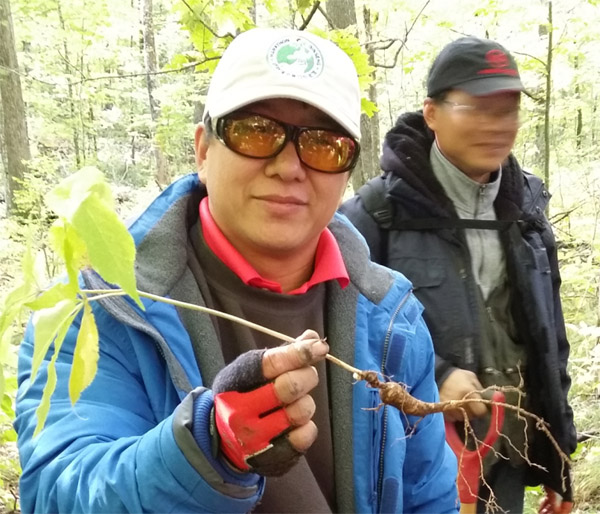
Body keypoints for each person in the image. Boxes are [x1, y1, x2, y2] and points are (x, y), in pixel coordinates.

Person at [15, 28, 459, 513]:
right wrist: (203, 451)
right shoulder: (107, 304)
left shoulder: (393, 317)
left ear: (347, 169)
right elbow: (59, 493)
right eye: (256, 131)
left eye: (324, 145)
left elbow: (428, 498)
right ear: (204, 150)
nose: (289, 167)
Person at [340, 36, 577, 513]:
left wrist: (557, 458)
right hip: (412, 460)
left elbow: (549, 338)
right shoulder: (376, 215)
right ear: (431, 113)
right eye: (477, 108)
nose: (497, 126)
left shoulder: (527, 210)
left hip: (507, 450)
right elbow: (343, 339)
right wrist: (435, 376)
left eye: (507, 109)